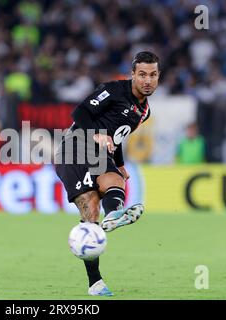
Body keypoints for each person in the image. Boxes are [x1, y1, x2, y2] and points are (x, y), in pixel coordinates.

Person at [54, 51, 160, 296]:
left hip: (101, 153)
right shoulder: (113, 90)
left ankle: (113, 216)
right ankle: (95, 282)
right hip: (74, 149)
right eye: (142, 74)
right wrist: (97, 134)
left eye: (153, 75)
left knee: (115, 180)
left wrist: (121, 163)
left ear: (158, 76)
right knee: (91, 208)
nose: (147, 80)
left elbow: (118, 134)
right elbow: (79, 113)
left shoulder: (144, 112)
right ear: (132, 74)